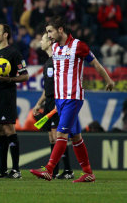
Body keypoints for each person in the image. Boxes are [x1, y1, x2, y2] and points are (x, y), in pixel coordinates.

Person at [30, 16, 115, 182]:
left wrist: (109, 80)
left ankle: (49, 169)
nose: (48, 35)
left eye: (50, 31)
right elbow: (42, 47)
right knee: (75, 136)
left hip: (73, 97)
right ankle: (88, 172)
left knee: (61, 134)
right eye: (47, 32)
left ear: (60, 30)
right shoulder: (55, 48)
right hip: (59, 100)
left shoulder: (79, 46)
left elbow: (96, 63)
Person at [0, 24, 29, 179]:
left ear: (5, 34)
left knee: (9, 129)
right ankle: (2, 169)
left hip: (6, 94)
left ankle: (16, 170)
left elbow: (25, 75)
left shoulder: (14, 53)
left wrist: (8, 79)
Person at [32, 33, 74, 180]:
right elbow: (47, 88)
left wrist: (61, 102)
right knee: (51, 138)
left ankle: (68, 170)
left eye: (42, 39)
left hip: (57, 101)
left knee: (58, 136)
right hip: (49, 101)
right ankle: (54, 171)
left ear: (49, 42)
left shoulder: (58, 61)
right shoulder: (48, 62)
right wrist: (39, 103)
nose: (40, 42)